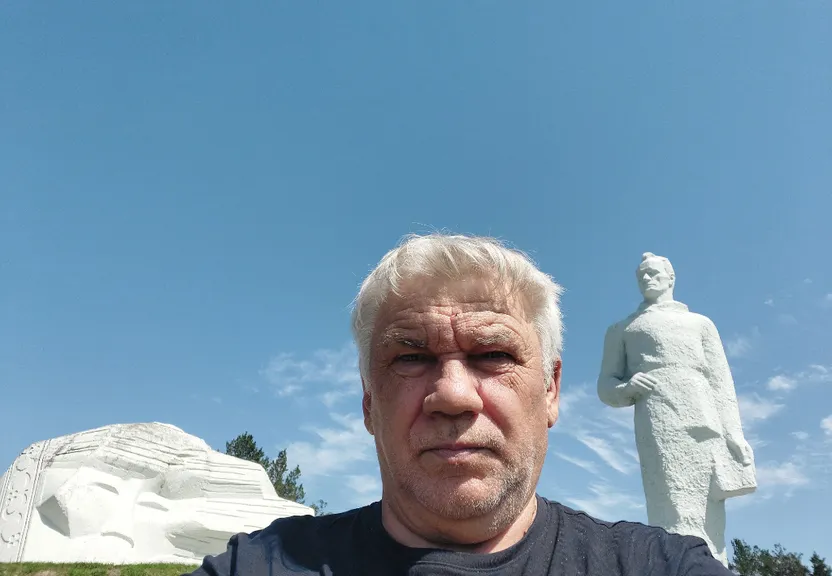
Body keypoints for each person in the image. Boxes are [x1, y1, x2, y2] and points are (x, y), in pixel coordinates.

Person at [186, 234, 733, 575]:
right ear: (369, 403)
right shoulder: (257, 565)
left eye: (492, 353)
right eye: (410, 357)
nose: (451, 394)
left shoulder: (662, 566)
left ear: (550, 391)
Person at [597, 252, 755, 566]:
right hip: (660, 418)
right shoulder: (624, 329)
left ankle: (713, 567)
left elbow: (721, 382)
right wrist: (627, 388)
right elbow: (606, 386)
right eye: (641, 275)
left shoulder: (700, 324)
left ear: (671, 278)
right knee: (674, 508)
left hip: (706, 419)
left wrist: (734, 433)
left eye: (653, 272)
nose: (646, 278)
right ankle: (683, 568)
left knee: (711, 511)